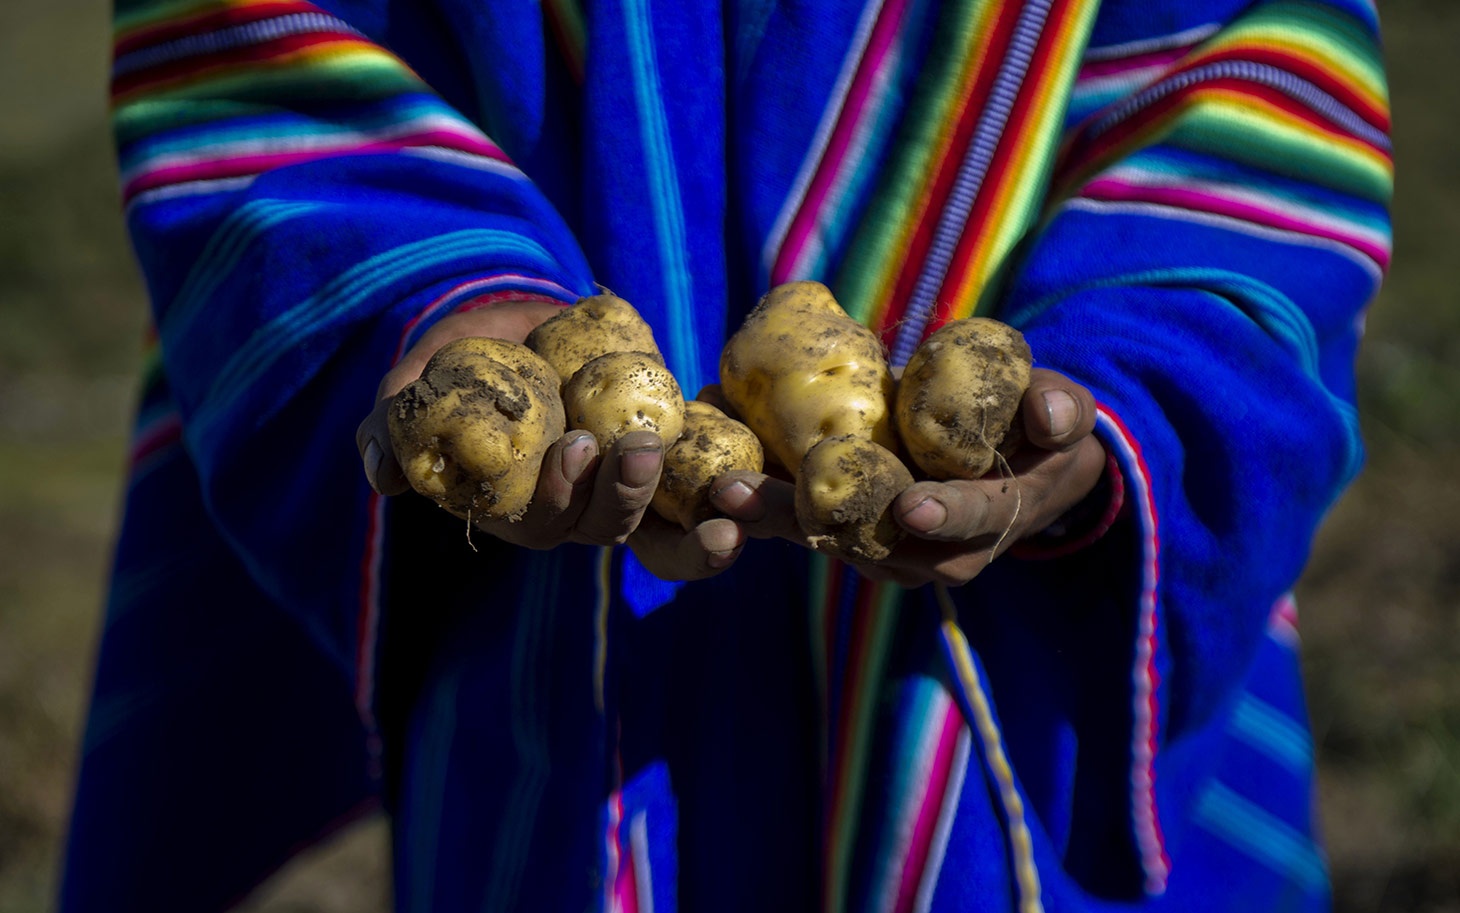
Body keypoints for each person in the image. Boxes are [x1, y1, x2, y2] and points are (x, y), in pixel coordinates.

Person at [64, 0, 1392, 910]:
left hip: (1025, 665)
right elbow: (261, 57)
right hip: (546, 650)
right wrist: (434, 301)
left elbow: (1263, 80)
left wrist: (1133, 399)